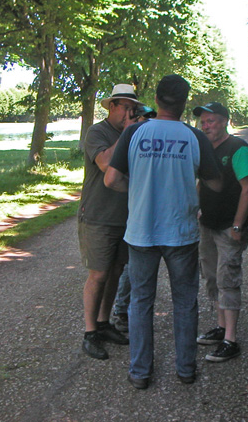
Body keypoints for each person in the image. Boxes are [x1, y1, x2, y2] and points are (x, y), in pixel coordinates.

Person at [104, 74, 222, 389]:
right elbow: (216, 182)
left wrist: (138, 190)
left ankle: (140, 372)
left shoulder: (134, 133)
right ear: (184, 103)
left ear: (156, 100)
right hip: (181, 232)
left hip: (141, 231)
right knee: (185, 301)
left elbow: (111, 179)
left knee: (141, 300)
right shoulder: (194, 137)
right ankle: (186, 369)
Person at [78, 83, 143, 360]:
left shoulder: (134, 133)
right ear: (112, 106)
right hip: (97, 217)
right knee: (99, 274)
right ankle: (90, 332)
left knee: (116, 272)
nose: (130, 113)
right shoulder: (97, 132)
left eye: (133, 109)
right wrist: (128, 132)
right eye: (125, 107)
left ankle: (104, 323)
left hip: (125, 218)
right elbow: (105, 163)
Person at [192, 102, 248, 362]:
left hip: (230, 227)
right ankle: (220, 327)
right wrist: (196, 209)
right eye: (203, 122)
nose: (206, 126)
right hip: (207, 225)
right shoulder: (205, 149)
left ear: (225, 121)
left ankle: (231, 339)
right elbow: (201, 183)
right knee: (211, 277)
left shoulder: (238, 148)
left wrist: (238, 226)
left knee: (228, 279)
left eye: (211, 121)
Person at [111, 105, 158, 333]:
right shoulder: (128, 138)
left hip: (144, 212)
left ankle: (126, 310)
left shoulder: (148, 141)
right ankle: (121, 311)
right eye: (143, 118)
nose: (146, 123)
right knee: (127, 266)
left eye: (150, 119)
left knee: (132, 265)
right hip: (126, 212)